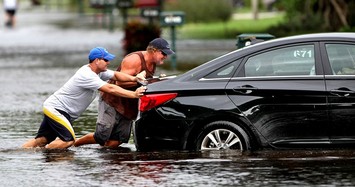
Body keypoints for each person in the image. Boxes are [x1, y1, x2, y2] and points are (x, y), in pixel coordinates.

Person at [22, 47, 147, 149]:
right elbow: (110, 89)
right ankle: (46, 157)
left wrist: (135, 78)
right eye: (106, 60)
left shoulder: (98, 72)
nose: (108, 62)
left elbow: (116, 75)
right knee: (68, 141)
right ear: (97, 60)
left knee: (42, 140)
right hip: (56, 109)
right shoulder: (87, 75)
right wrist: (134, 94)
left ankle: (20, 152)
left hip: (58, 109)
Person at [74, 38, 175, 149]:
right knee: (101, 136)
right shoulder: (134, 59)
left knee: (117, 140)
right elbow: (119, 83)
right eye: (163, 53)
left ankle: (103, 161)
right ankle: (74, 144)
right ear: (154, 50)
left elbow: (142, 81)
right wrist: (143, 82)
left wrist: (155, 81)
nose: (166, 56)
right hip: (112, 100)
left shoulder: (153, 62)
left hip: (129, 104)